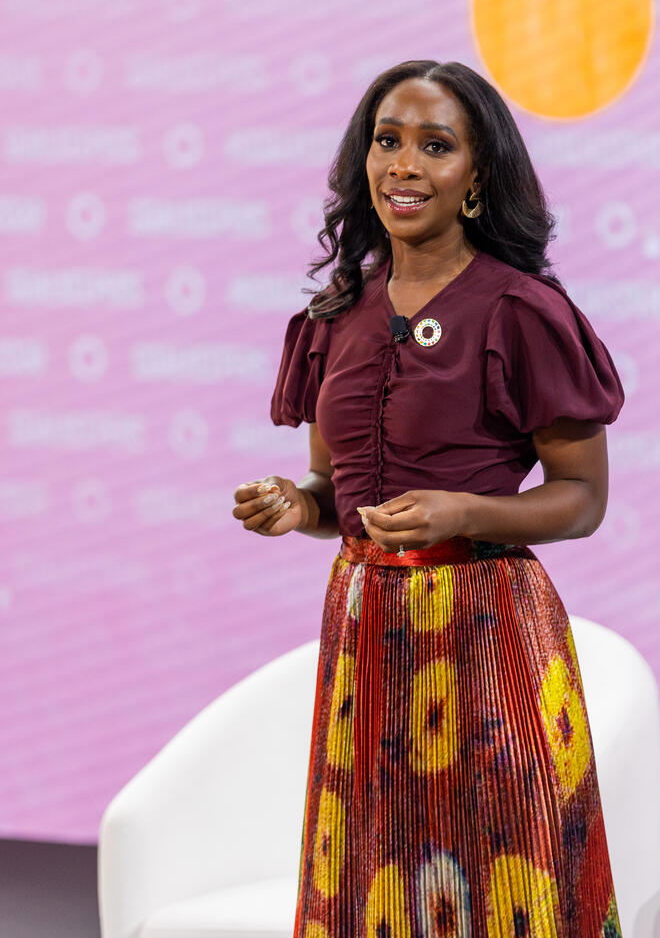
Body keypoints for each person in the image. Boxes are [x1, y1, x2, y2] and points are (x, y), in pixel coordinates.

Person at [232, 60, 625, 937]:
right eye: (387, 141)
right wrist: (297, 506)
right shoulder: (336, 315)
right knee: (374, 881)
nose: (403, 166)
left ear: (477, 177)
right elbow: (337, 493)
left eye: (435, 147)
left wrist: (465, 512)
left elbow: (582, 498)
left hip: (487, 632)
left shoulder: (522, 310)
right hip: (365, 628)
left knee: (504, 886)